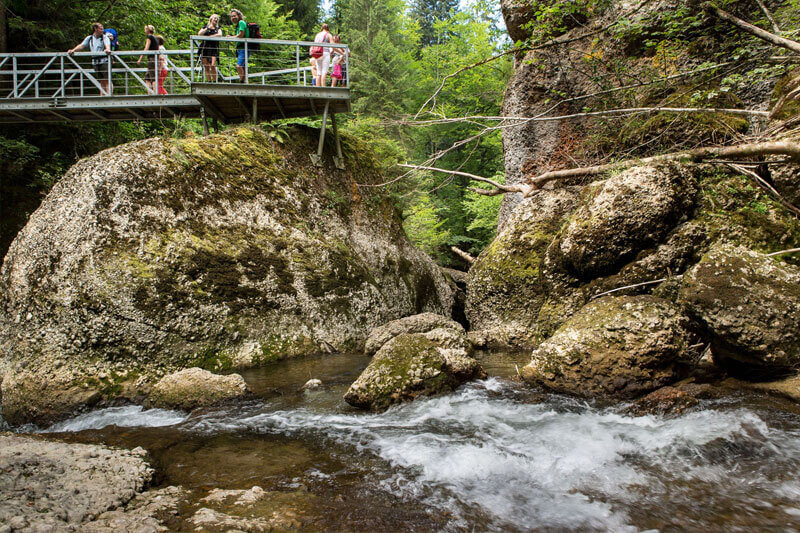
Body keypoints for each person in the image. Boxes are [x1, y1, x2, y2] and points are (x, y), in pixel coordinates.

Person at [67, 23, 113, 95]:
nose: (102, 30)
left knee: (107, 79)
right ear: (95, 29)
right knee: (101, 80)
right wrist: (73, 50)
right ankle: (102, 96)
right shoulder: (90, 38)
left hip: (104, 61)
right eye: (100, 28)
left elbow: (107, 45)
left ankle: (109, 96)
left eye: (102, 28)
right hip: (95, 62)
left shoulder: (105, 37)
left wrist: (107, 49)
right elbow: (82, 46)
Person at [198, 14, 222, 82]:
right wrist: (207, 28)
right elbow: (199, 34)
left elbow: (220, 35)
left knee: (213, 65)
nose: (216, 19)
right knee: (206, 66)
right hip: (205, 47)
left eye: (217, 19)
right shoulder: (205, 27)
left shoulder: (218, 29)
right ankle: (209, 81)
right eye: (215, 18)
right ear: (211, 19)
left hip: (213, 48)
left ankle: (214, 81)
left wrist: (210, 36)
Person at [137, 25, 159, 94]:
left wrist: (140, 59)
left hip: (152, 59)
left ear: (147, 30)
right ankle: (149, 94)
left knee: (153, 78)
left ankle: (155, 94)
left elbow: (146, 48)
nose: (144, 31)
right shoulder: (155, 38)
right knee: (147, 78)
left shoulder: (149, 37)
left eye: (145, 29)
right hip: (154, 59)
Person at [230, 9, 249, 83]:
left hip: (244, 48)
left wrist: (231, 37)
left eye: (234, 16)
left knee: (239, 66)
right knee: (243, 67)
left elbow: (241, 35)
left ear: (239, 16)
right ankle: (244, 81)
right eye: (232, 16)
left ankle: (242, 82)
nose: (233, 17)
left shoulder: (241, 22)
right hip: (241, 48)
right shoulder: (238, 25)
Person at [312, 23, 332, 88]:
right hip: (325, 53)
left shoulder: (317, 35)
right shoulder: (328, 35)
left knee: (319, 72)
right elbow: (333, 45)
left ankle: (318, 87)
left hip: (318, 54)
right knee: (324, 72)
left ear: (322, 28)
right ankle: (323, 87)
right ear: (328, 29)